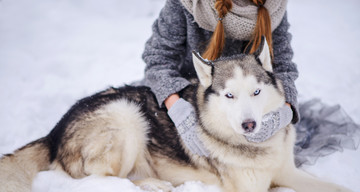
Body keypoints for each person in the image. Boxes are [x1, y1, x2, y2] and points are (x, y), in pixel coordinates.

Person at [137, 0, 360, 163]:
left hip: (252, 103)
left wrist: (286, 109)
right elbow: (158, 59)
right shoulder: (185, 4)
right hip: (194, 100)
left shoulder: (274, 7)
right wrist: (177, 107)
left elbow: (282, 66)